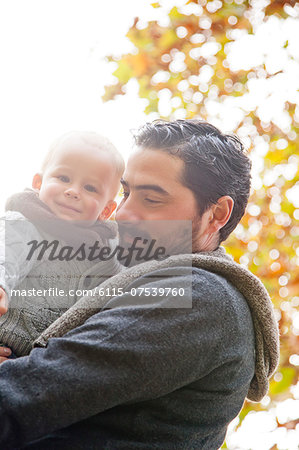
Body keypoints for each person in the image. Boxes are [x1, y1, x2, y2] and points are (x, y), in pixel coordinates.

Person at [0, 120, 279, 449]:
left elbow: (23, 397)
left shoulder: (198, 295)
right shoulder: (123, 276)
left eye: (152, 199)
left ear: (217, 214)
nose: (124, 213)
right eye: (127, 192)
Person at [0, 131, 124, 356]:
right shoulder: (26, 223)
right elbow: (6, 251)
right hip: (6, 346)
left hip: (49, 362)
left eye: (90, 188)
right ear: (39, 182)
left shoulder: (107, 253)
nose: (73, 191)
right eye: (63, 178)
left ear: (106, 209)